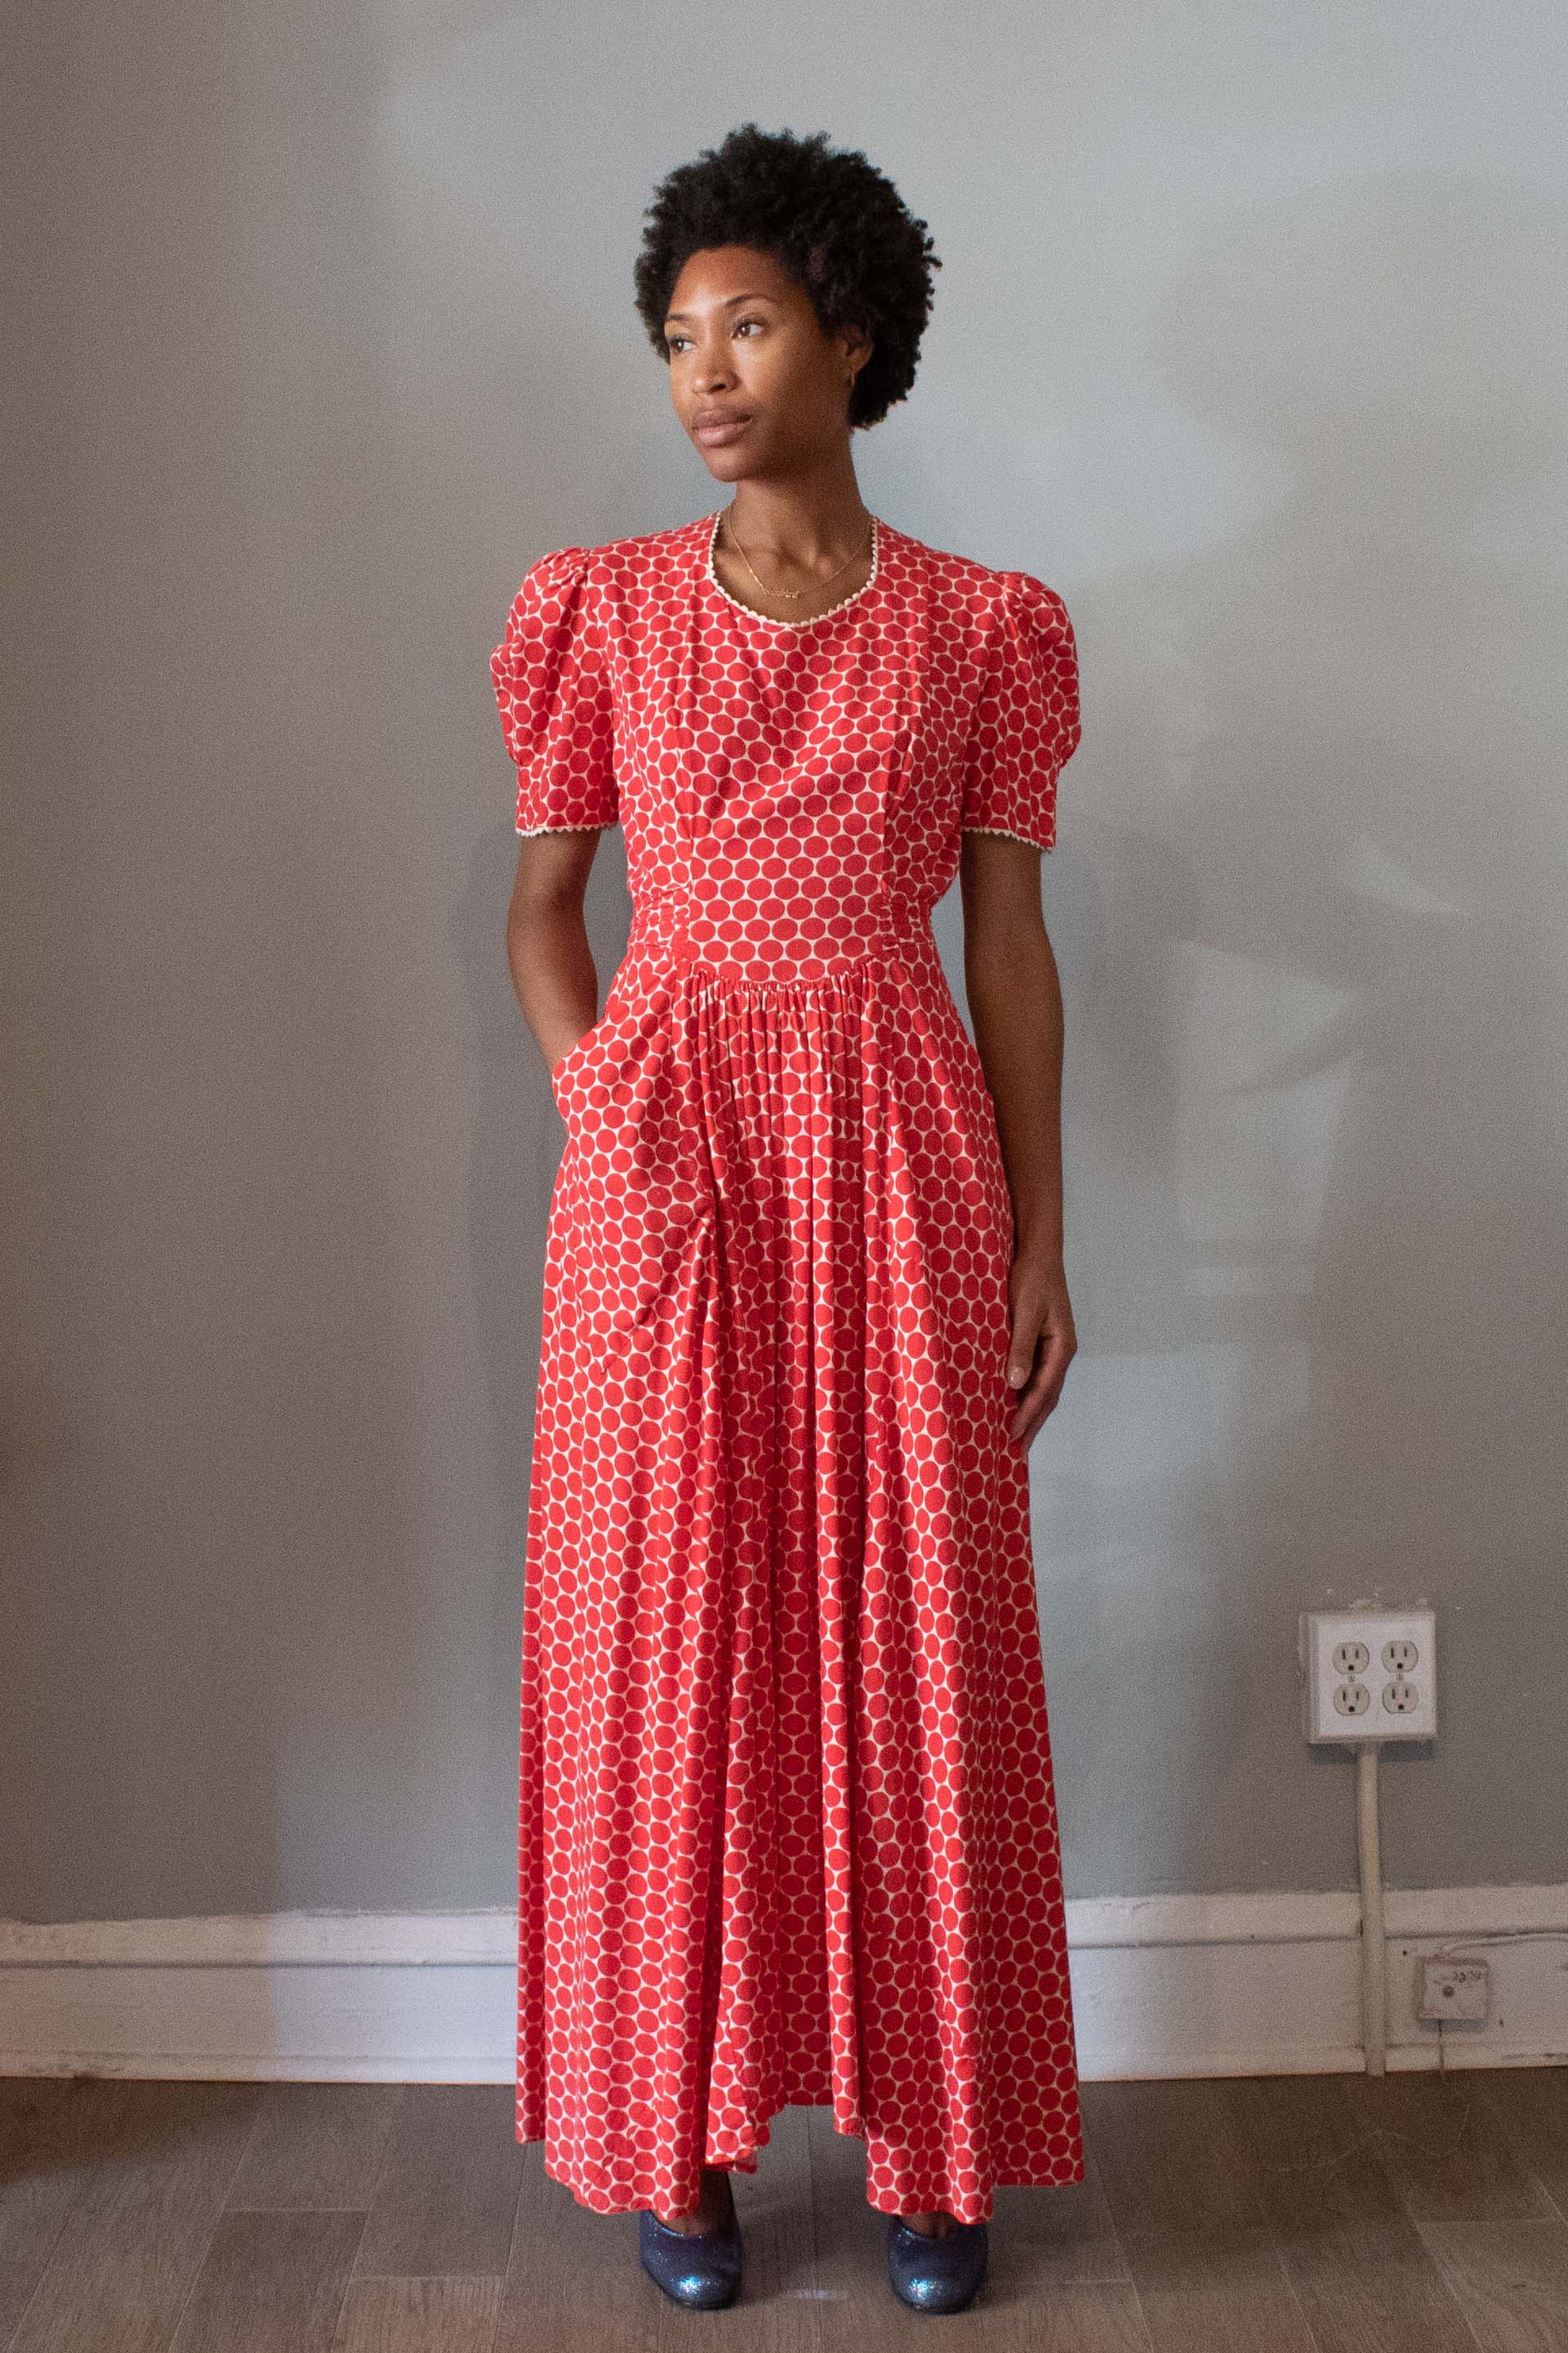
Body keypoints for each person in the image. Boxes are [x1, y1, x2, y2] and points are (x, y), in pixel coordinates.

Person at [492, 123, 1085, 2316]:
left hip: (906, 1140)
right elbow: (545, 909)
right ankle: (678, 2132)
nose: (705, 371)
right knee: (676, 1632)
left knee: (918, 1625)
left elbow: (1010, 950)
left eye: (747, 322)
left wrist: (1041, 1227)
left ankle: (940, 2149)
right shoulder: (604, 609)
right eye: (675, 336)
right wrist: (605, 1116)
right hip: (663, 1168)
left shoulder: (981, 625)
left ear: (855, 329)